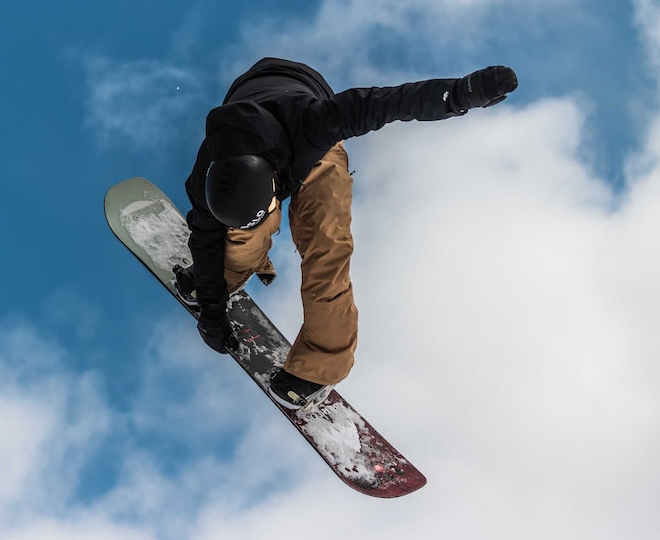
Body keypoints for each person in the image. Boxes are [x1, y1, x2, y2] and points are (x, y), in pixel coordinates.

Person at [175, 57, 517, 409]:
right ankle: (228, 271)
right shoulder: (206, 178)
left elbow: (389, 102)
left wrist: (461, 94)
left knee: (326, 246)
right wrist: (212, 313)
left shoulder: (319, 122)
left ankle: (320, 366)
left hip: (314, 142)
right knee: (238, 233)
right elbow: (204, 237)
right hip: (253, 117)